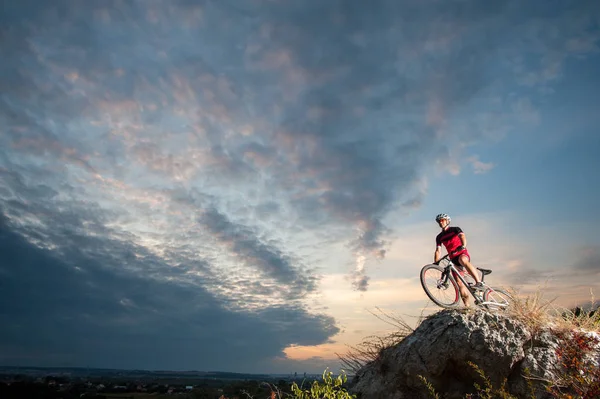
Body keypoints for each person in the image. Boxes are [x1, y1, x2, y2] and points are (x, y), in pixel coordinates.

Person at [433, 213, 484, 306]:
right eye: (439, 221)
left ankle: (479, 282)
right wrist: (436, 263)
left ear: (447, 221)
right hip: (453, 258)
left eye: (443, 220)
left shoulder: (455, 229)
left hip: (461, 253)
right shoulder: (439, 237)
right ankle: (467, 306)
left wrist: (463, 246)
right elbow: (438, 250)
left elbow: (462, 237)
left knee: (463, 260)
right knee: (459, 283)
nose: (441, 222)